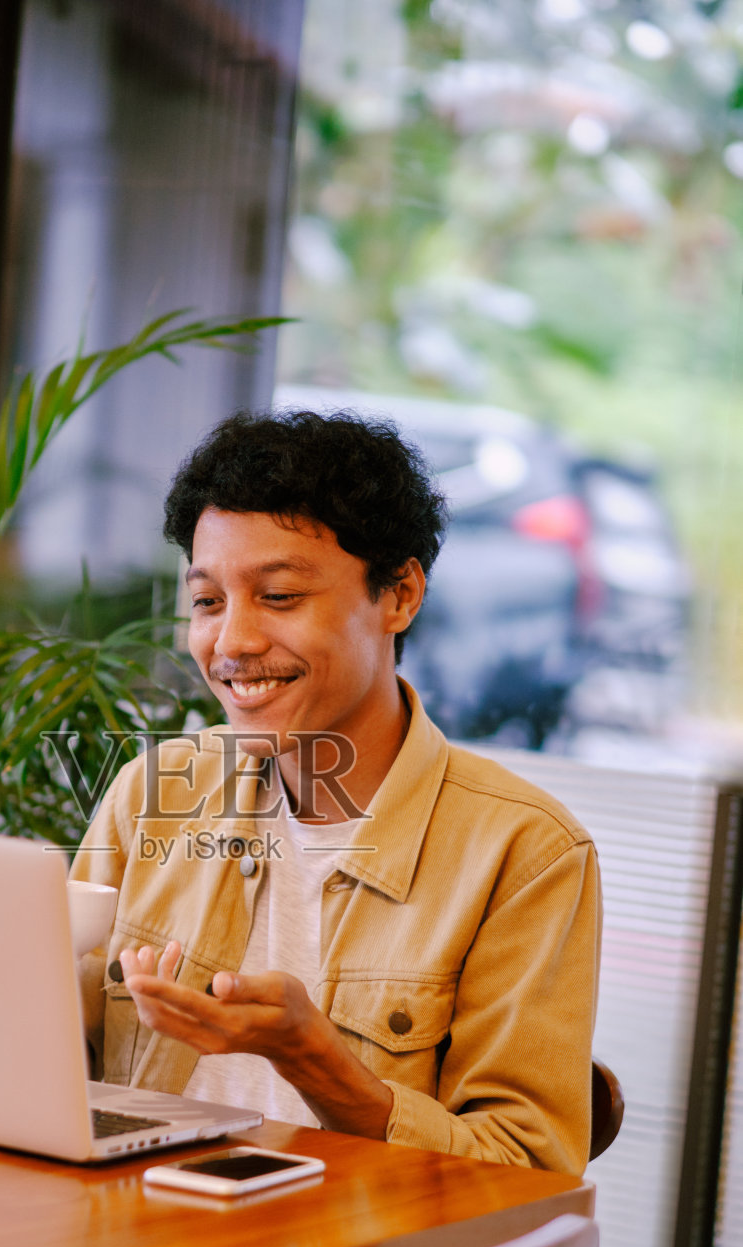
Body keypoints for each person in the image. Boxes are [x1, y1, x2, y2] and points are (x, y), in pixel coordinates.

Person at [69, 410, 600, 1175]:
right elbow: (53, 1060)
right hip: (137, 1244)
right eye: (208, 601)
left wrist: (315, 1059)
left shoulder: (525, 853)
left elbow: (526, 1173)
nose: (232, 643)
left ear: (399, 596)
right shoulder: (150, 796)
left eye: (278, 596)